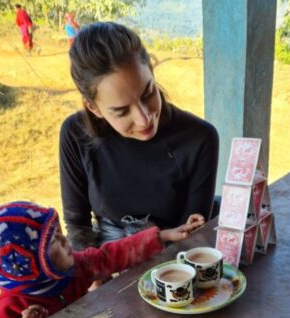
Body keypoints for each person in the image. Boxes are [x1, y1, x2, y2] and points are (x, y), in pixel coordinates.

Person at [61, 22, 219, 251]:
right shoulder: (76, 135)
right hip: (106, 259)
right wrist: (93, 269)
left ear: (151, 71)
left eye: (148, 93)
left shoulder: (200, 138)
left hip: (173, 262)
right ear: (93, 107)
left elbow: (191, 238)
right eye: (121, 111)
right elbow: (78, 227)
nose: (144, 119)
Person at [0, 201, 203, 318]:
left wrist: (163, 236)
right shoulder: (12, 312)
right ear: (30, 266)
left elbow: (111, 255)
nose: (66, 240)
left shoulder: (76, 268)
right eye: (54, 241)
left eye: (60, 233)